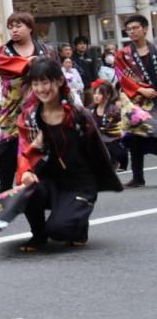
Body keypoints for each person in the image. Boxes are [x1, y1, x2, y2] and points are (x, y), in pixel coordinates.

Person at [15, 59, 122, 251]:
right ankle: (38, 236)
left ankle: (78, 222)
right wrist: (26, 172)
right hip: (48, 180)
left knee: (58, 230)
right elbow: (24, 151)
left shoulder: (79, 115)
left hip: (78, 183)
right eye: (36, 83)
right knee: (26, 190)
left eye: (45, 82)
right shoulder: (29, 116)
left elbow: (97, 152)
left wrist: (93, 187)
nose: (41, 88)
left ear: (59, 81)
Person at [0, 11, 56, 193]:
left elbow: (56, 74)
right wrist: (28, 62)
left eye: (18, 26)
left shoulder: (46, 50)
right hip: (12, 108)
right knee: (6, 149)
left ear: (30, 28)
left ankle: (40, 189)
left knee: (41, 147)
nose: (14, 31)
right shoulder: (1, 52)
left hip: (40, 105)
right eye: (11, 27)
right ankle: (4, 190)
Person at [116, 14, 157, 187]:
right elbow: (121, 76)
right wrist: (141, 89)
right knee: (135, 139)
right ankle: (138, 177)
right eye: (128, 29)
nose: (131, 32)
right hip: (137, 102)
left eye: (135, 28)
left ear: (145, 29)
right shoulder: (123, 54)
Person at [91, 81, 127, 170]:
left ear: (107, 95)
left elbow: (114, 130)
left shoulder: (113, 110)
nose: (96, 96)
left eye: (99, 94)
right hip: (97, 145)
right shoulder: (90, 109)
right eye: (95, 93)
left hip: (111, 144)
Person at [72, 36, 98, 103]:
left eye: (84, 44)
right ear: (76, 45)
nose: (82, 46)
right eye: (80, 44)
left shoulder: (90, 56)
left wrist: (95, 83)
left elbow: (94, 71)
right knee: (80, 108)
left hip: (89, 86)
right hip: (77, 88)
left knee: (92, 105)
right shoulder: (72, 57)